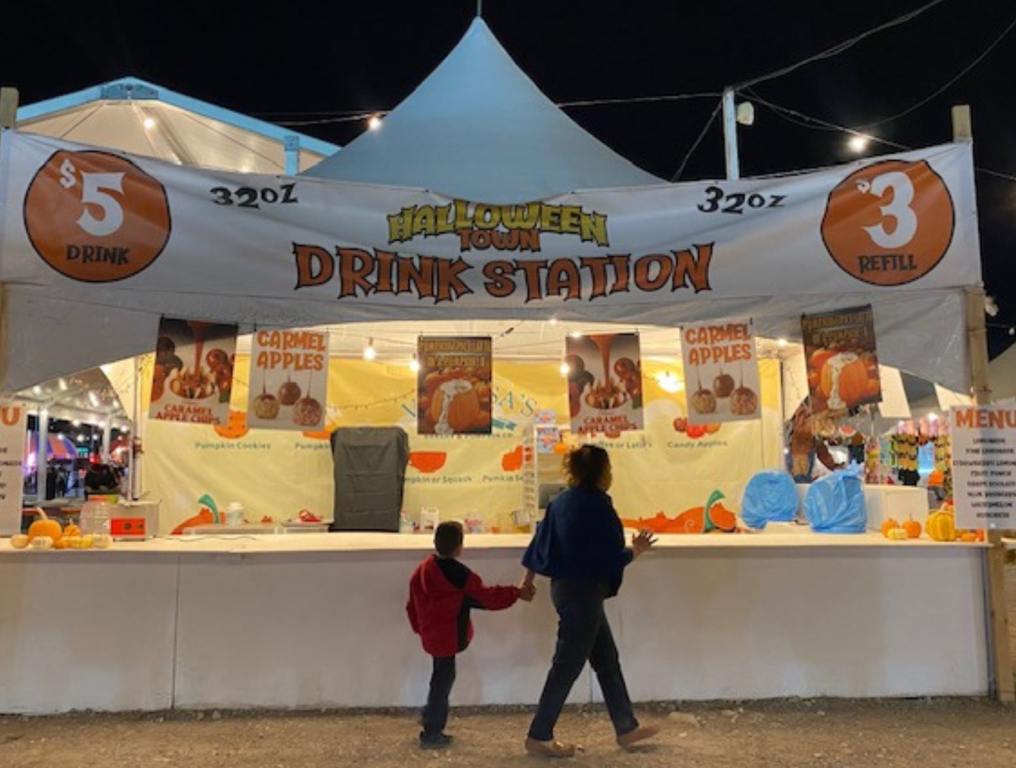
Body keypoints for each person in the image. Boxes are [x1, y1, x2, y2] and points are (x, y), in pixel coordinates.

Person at [521, 445, 659, 758]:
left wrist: (527, 582)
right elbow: (608, 557)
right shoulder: (598, 507)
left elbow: (540, 543)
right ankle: (538, 735)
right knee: (567, 665)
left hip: (566, 591)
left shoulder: (560, 502)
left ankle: (626, 727)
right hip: (584, 594)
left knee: (606, 659)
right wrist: (635, 550)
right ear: (602, 472)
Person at [407, 521, 534, 749]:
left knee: (439, 678)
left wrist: (420, 628)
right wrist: (516, 593)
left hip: (432, 634)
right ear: (460, 546)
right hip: (449, 636)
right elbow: (486, 597)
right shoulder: (460, 575)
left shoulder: (423, 570)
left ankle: (429, 717)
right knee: (443, 682)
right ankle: (432, 730)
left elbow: (411, 604)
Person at [785, 402, 842, 483]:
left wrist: (833, 466)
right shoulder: (803, 419)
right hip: (799, 459)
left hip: (803, 457)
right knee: (801, 484)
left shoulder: (812, 427)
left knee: (803, 484)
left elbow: (820, 448)